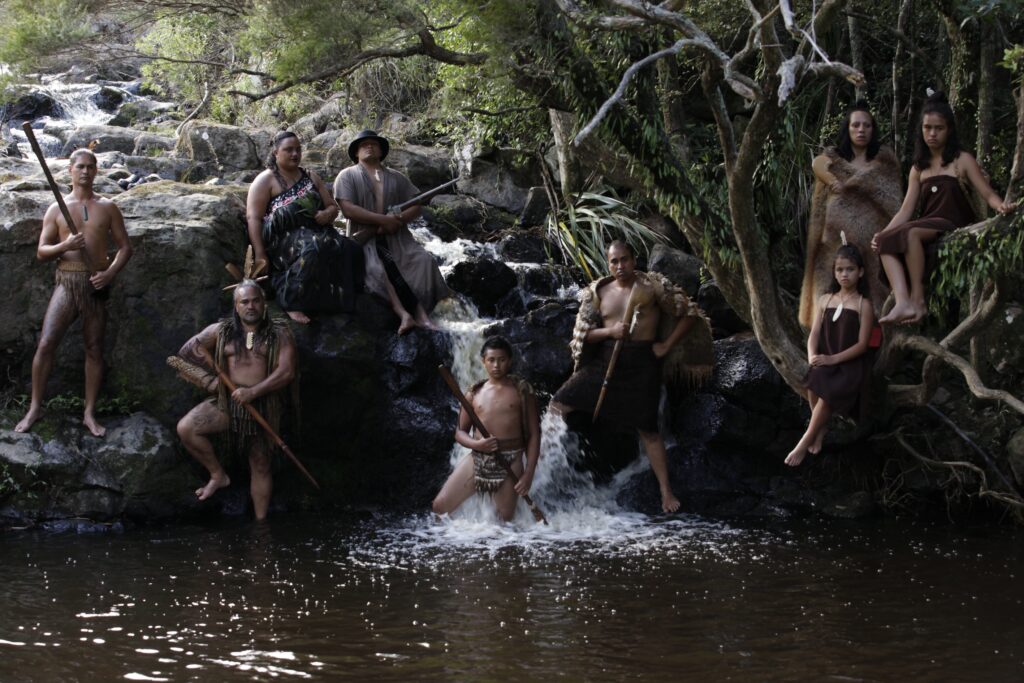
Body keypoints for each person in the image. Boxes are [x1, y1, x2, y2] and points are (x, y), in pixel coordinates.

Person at [550, 241, 714, 513]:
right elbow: (584, 334)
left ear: (634, 260)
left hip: (641, 364)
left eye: (624, 260)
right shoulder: (599, 291)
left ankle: (665, 492)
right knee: (558, 404)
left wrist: (666, 345)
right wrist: (610, 333)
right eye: (614, 261)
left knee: (648, 430)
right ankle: (548, 471)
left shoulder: (652, 287)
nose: (620, 266)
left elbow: (689, 315)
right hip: (604, 361)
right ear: (608, 263)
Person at [15, 148, 132, 437]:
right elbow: (42, 251)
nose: (86, 171)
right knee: (46, 343)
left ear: (97, 170)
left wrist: (110, 273)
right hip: (68, 280)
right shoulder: (56, 209)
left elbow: (125, 247)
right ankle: (35, 408)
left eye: (91, 166)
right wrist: (63, 247)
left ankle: (89, 413)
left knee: (94, 348)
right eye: (80, 166)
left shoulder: (108, 207)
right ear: (70, 170)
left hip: (96, 282)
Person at [872, 92, 1015, 324]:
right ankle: (902, 301)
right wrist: (883, 233)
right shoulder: (919, 168)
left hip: (954, 224)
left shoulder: (962, 160)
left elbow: (987, 193)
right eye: (927, 128)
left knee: (911, 233)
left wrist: (1002, 206)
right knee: (885, 243)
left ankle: (918, 301)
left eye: (938, 128)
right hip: (928, 224)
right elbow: (906, 209)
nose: (932, 134)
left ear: (949, 130)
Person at [174, 281, 296, 521]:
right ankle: (218, 475)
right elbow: (188, 351)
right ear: (236, 306)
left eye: (255, 300)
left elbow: (287, 372)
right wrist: (210, 383)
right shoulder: (221, 331)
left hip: (263, 404)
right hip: (228, 403)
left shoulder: (280, 333)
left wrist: (254, 392)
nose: (251, 306)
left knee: (260, 464)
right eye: (245, 302)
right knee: (187, 428)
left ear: (264, 303)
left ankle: (261, 525)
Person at [334, 130, 449, 334]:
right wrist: (382, 220)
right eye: (364, 145)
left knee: (424, 262)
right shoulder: (347, 176)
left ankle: (422, 313)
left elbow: (416, 205)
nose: (369, 146)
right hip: (364, 239)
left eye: (374, 144)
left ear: (381, 151)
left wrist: (398, 220)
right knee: (379, 270)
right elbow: (348, 209)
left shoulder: (397, 177)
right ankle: (410, 315)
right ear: (356, 153)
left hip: (397, 238)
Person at [799, 101, 902, 328]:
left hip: (873, 246)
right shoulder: (832, 161)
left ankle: (874, 349)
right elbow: (819, 188)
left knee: (874, 298)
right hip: (835, 243)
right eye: (856, 125)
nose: (861, 130)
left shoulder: (884, 163)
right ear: (848, 129)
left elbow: (894, 204)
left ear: (873, 130)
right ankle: (831, 344)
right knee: (832, 299)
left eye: (866, 126)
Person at [246, 131, 364, 324]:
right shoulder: (265, 180)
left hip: (317, 230)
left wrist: (327, 214)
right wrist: (260, 253)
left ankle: (336, 300)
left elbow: (332, 207)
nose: (295, 154)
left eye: (298, 149)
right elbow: (254, 218)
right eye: (289, 150)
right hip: (283, 240)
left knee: (351, 249)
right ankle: (290, 299)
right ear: (276, 152)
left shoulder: (311, 176)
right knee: (315, 247)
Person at [432, 336, 541, 521]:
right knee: (440, 506)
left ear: (510, 361)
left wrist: (529, 473)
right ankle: (455, 543)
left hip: (511, 458)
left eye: (502, 359)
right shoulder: (474, 393)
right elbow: (460, 432)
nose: (496, 365)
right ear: (483, 361)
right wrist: (478, 445)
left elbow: (534, 434)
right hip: (478, 457)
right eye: (491, 360)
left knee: (503, 522)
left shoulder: (522, 391)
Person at [786, 245, 875, 466]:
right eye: (840, 270)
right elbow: (814, 333)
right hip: (827, 359)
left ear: (860, 272)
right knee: (814, 379)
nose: (844, 274)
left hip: (851, 364)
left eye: (850, 269)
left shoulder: (864, 305)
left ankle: (805, 439)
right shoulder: (826, 299)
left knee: (829, 391)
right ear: (834, 272)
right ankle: (821, 428)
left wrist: (832, 359)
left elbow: (863, 345)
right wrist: (812, 355)